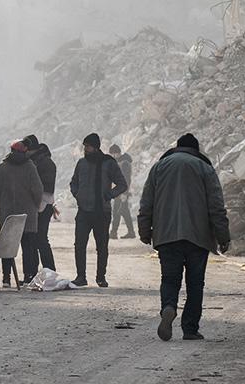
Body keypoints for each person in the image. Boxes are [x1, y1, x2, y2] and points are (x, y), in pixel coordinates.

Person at [138, 133, 231, 341]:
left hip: (166, 235)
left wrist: (145, 231)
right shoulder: (205, 168)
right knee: (195, 283)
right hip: (198, 237)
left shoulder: (159, 167)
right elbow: (216, 206)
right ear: (196, 150)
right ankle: (189, 328)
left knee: (170, 279)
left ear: (177, 148)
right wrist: (223, 236)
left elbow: (146, 202)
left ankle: (169, 307)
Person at [69, 133, 127, 287]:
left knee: (101, 246)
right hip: (83, 211)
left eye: (87, 146)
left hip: (102, 211)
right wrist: (77, 194)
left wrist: (109, 195)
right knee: (79, 244)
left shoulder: (108, 163)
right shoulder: (81, 163)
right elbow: (73, 182)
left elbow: (122, 184)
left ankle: (101, 277)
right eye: (84, 146)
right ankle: (81, 277)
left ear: (95, 147)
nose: (85, 149)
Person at [0, 140, 44, 286]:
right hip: (28, 216)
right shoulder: (30, 167)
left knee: (7, 247)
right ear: (24, 151)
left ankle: (6, 278)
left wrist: (3, 205)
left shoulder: (1, 168)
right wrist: (35, 205)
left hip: (8, 215)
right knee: (28, 247)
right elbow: (38, 190)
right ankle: (28, 276)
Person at [23, 135, 58, 273]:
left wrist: (39, 206)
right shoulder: (35, 161)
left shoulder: (45, 163)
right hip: (35, 205)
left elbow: (47, 189)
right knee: (34, 240)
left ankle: (49, 271)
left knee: (41, 239)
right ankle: (34, 273)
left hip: (43, 205)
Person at [109, 144, 135, 239]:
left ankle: (113, 233)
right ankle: (131, 232)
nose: (112, 156)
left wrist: (124, 193)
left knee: (117, 211)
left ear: (117, 153)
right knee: (124, 211)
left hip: (121, 192)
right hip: (119, 191)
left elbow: (126, 179)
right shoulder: (121, 162)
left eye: (113, 154)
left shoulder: (124, 163)